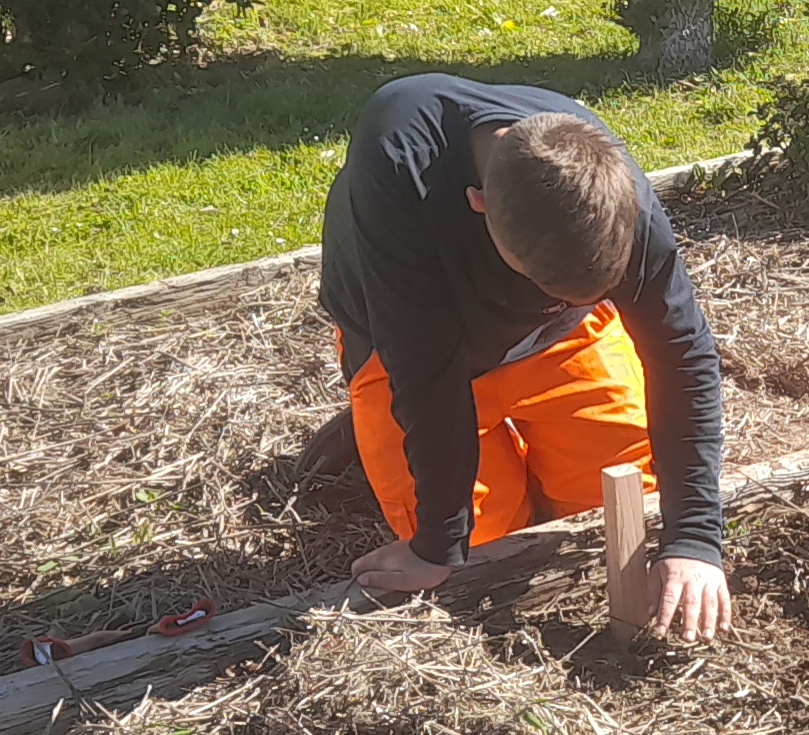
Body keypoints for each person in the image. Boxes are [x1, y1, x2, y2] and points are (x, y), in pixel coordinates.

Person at [313, 74, 732, 640]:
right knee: (484, 548)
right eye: (542, 284)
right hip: (420, 350)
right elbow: (425, 372)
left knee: (622, 510)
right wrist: (438, 543)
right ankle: (372, 432)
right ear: (478, 205)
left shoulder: (613, 193)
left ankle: (514, 405)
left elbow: (682, 353)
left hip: (561, 339)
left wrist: (695, 539)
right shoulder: (399, 164)